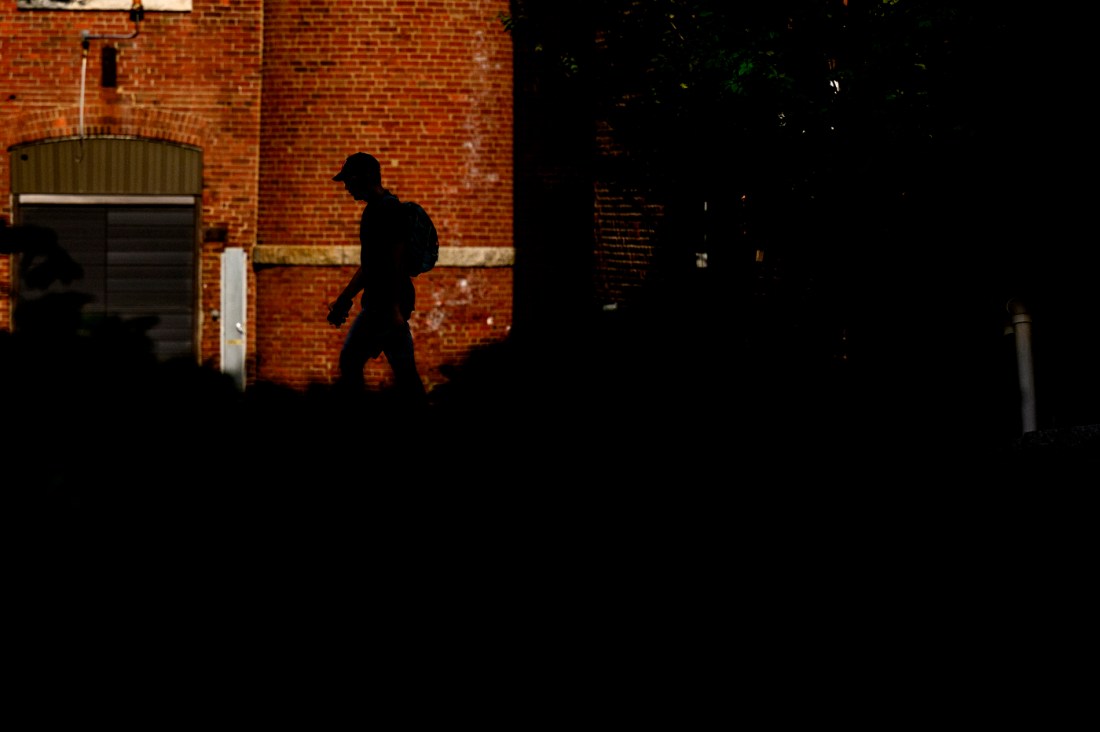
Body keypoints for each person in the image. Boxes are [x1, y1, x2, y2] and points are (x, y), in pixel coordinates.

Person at [327, 152, 426, 406]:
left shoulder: (385, 210)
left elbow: (396, 259)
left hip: (386, 306)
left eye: (349, 180)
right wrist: (344, 299)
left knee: (351, 360)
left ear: (362, 178)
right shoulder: (377, 209)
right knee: (403, 371)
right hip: (383, 304)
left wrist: (393, 309)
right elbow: (370, 266)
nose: (347, 187)